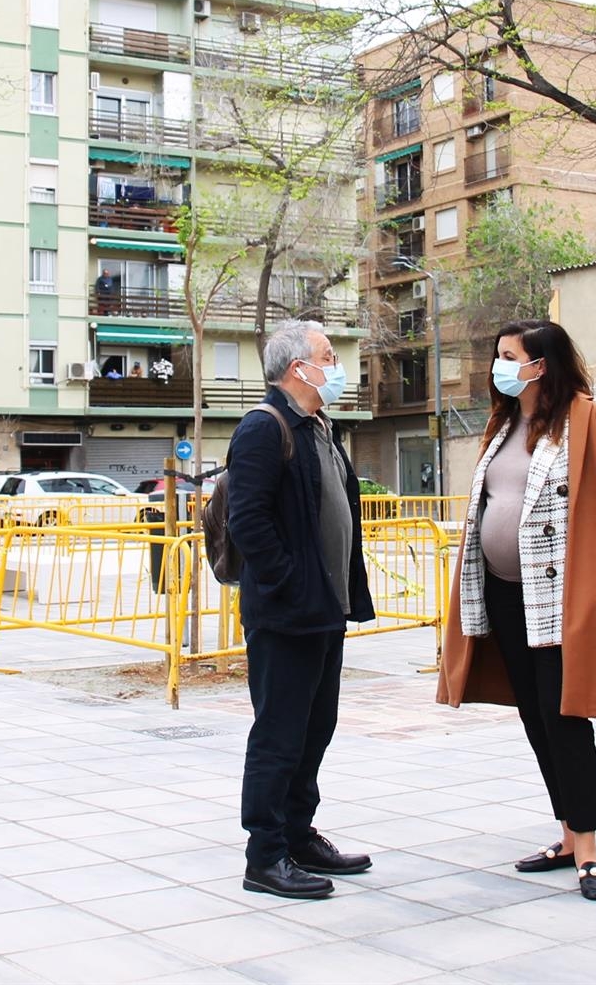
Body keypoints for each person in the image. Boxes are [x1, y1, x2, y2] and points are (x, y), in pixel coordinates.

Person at [437, 319, 596, 902]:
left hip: (561, 600)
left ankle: (589, 851)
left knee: (565, 719)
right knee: (535, 717)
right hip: (504, 594)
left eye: (509, 356)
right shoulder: (502, 423)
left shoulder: (591, 420)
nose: (498, 367)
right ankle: (565, 834)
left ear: (541, 365)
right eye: (497, 355)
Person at [227, 319, 375, 900]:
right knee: (279, 735)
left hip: (323, 611)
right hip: (287, 613)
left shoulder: (318, 426)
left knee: (316, 728)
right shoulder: (264, 429)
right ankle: (264, 856)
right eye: (328, 355)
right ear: (298, 368)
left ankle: (296, 832)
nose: (337, 365)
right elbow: (250, 523)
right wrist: (291, 585)